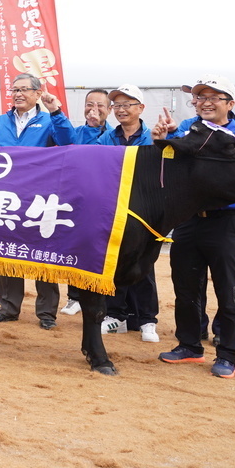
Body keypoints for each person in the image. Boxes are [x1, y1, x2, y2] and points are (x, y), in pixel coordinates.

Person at [152, 75, 235, 378]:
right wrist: (161, 138)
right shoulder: (188, 127)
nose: (206, 102)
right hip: (187, 221)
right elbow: (169, 162)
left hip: (225, 223)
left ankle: (227, 354)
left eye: (215, 97)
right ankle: (189, 345)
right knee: (186, 287)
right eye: (201, 97)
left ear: (230, 103)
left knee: (228, 290)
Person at [0, 73, 76, 330]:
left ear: (37, 93)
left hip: (40, 197)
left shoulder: (49, 120)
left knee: (42, 254)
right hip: (8, 196)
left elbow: (69, 143)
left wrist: (56, 111)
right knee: (9, 253)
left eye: (24, 90)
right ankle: (8, 307)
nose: (18, 94)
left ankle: (47, 312)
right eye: (14, 90)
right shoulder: (0, 122)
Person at [94, 85, 159, 343]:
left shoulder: (154, 136)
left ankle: (147, 320)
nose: (121, 110)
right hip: (116, 209)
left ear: (140, 108)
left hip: (145, 212)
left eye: (127, 104)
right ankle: (116, 315)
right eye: (117, 105)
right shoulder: (106, 138)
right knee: (115, 262)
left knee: (144, 265)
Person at [60, 89, 113, 315]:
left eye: (100, 105)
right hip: (77, 199)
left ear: (109, 110)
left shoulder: (112, 135)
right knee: (76, 247)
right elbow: (66, 146)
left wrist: (95, 129)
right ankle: (74, 297)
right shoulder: (76, 132)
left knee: (103, 251)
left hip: (106, 202)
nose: (94, 109)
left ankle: (105, 298)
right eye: (89, 104)